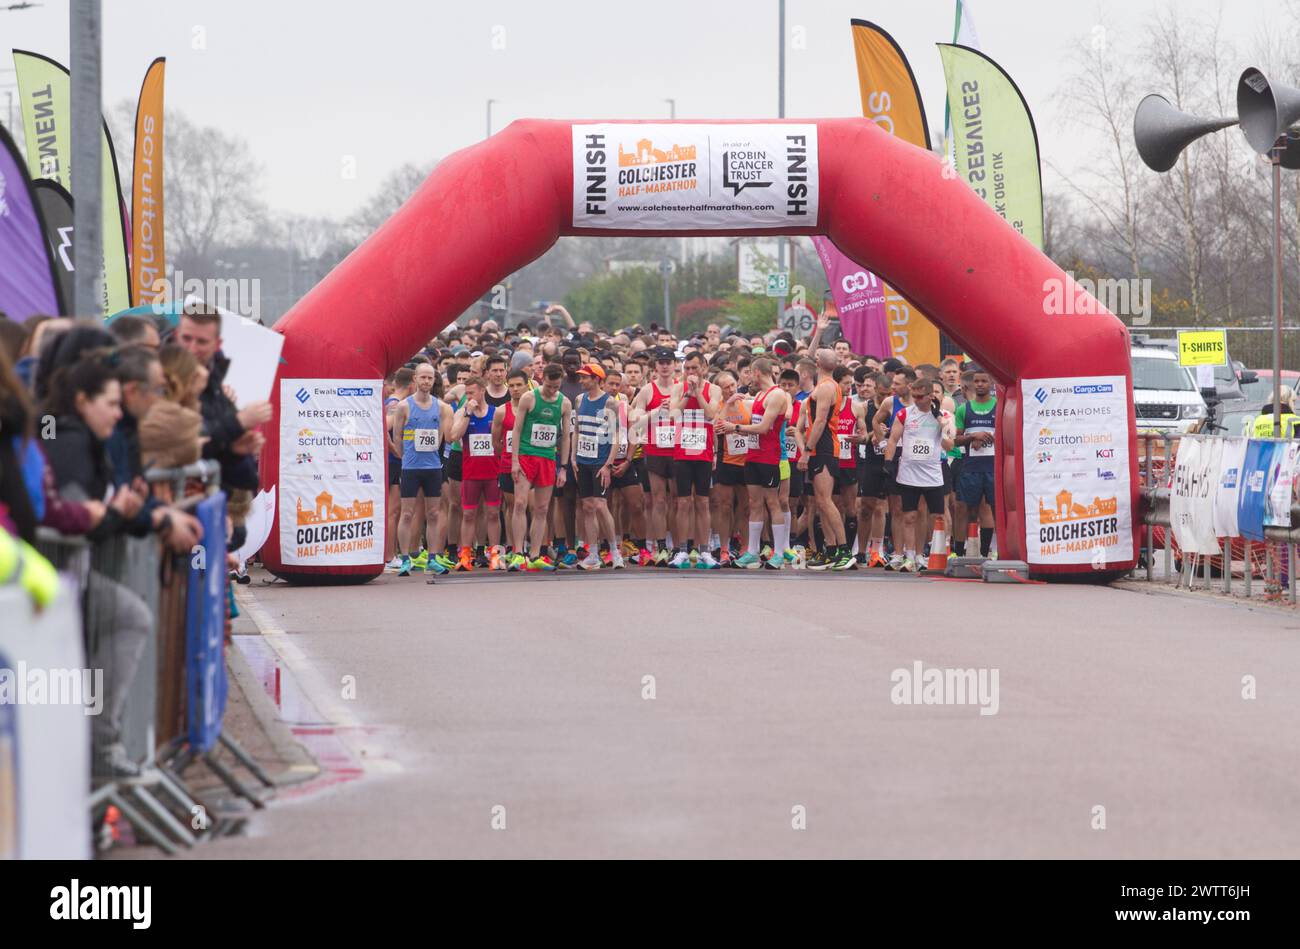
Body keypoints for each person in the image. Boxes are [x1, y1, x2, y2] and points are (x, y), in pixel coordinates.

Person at [720, 358, 790, 569]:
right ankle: (752, 551)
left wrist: (735, 428)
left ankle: (778, 553)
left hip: (769, 456)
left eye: (751, 373)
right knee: (754, 503)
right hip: (752, 455)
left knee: (773, 502)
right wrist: (731, 401)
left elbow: (765, 427)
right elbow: (749, 414)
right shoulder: (759, 395)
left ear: (758, 372)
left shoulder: (777, 394)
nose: (749, 377)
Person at [884, 377, 956, 573]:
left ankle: (926, 554)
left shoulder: (941, 415)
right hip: (909, 472)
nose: (916, 399)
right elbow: (892, 439)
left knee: (936, 515)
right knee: (910, 516)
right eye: (913, 396)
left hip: (932, 473)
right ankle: (909, 557)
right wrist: (888, 462)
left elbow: (950, 445)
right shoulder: (904, 414)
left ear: (930, 395)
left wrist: (940, 421)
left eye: (920, 396)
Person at [389, 363, 453, 577]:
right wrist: (402, 456)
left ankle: (433, 557)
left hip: (433, 467)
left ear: (434, 381)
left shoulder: (442, 407)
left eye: (430, 378)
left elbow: (447, 437)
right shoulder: (404, 407)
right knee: (407, 513)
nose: (426, 382)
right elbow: (396, 435)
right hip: (410, 468)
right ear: (415, 379)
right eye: (423, 377)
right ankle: (405, 558)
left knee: (433, 513)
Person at [510, 363, 571, 571]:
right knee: (519, 503)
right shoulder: (529, 398)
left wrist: (563, 467)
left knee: (542, 508)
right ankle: (518, 553)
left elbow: (565, 438)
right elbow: (517, 430)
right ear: (542, 379)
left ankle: (536, 554)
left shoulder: (564, 403)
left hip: (547, 457)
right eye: (549, 386)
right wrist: (515, 460)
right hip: (527, 455)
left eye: (556, 387)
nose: (553, 390)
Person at [668, 350, 721, 569]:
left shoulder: (714, 389)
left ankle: (704, 551)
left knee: (703, 502)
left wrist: (698, 392)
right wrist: (687, 394)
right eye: (687, 368)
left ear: (704, 369)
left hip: (704, 453)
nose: (690, 372)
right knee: (683, 502)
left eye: (694, 368)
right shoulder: (678, 389)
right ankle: (681, 550)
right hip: (683, 452)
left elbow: (710, 414)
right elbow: (672, 414)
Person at [446, 374, 503, 570]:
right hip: (470, 473)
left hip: (492, 472)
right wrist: (467, 413)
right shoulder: (462, 412)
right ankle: (465, 556)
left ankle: (495, 555)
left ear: (482, 391)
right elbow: (453, 436)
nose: (468, 396)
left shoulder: (496, 412)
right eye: (466, 393)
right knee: (468, 514)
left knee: (493, 513)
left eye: (471, 392)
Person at [801, 350, 852, 570]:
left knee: (825, 500)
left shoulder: (826, 387)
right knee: (821, 502)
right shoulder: (827, 386)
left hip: (823, 448)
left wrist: (807, 449)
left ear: (818, 363)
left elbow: (820, 421)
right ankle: (830, 550)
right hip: (821, 448)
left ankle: (844, 550)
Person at [571, 363, 625, 569]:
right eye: (582, 377)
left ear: (596, 379)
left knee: (601, 505)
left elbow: (616, 435)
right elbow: (576, 430)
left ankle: (614, 552)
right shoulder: (579, 399)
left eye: (586, 377)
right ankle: (593, 553)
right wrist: (573, 458)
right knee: (587, 506)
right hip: (583, 459)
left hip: (600, 461)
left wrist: (608, 465)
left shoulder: (610, 403)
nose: (582, 381)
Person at [629, 346, 679, 566]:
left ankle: (677, 547)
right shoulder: (648, 391)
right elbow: (635, 424)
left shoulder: (681, 388)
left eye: (669, 362)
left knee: (677, 500)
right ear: (655, 366)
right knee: (658, 500)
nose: (665, 366)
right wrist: (656, 412)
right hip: (656, 450)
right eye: (661, 362)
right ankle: (660, 547)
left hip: (679, 449)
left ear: (675, 365)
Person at [953, 365, 998, 559]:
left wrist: (989, 437)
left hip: (993, 468)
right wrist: (973, 437)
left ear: (991, 383)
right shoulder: (964, 409)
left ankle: (988, 551)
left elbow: (1008, 435)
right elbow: (956, 439)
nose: (979, 385)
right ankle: (958, 552)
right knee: (962, 508)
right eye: (976, 381)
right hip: (970, 468)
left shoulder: (1000, 405)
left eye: (984, 381)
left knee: (993, 509)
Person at [492, 367, 530, 566]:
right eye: (512, 385)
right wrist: (507, 457)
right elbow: (495, 441)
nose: (515, 389)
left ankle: (531, 548)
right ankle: (512, 546)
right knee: (513, 506)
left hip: (531, 463)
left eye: (519, 385)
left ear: (527, 385)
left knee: (529, 506)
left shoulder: (533, 408)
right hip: (508, 464)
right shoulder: (501, 411)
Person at [383, 367, 414, 566]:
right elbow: (384, 427)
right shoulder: (395, 403)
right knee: (392, 512)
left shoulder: (395, 402)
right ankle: (388, 556)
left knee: (395, 510)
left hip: (394, 462)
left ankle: (390, 555)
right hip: (392, 462)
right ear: (411, 383)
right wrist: (396, 451)